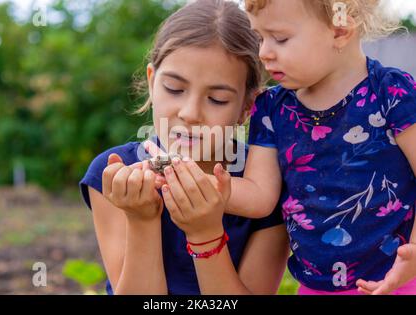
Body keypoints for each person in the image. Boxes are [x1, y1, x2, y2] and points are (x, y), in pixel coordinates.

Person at [157, 0, 416, 295]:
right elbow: (260, 196)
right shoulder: (272, 108)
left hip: (399, 280)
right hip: (315, 287)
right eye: (260, 38)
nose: (263, 52)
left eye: (279, 38)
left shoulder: (391, 93)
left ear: (340, 29)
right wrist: (194, 181)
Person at [79, 0, 289, 295]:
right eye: (174, 89)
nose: (190, 113)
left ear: (247, 107)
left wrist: (205, 233)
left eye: (217, 99)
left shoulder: (268, 186)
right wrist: (142, 219)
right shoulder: (114, 174)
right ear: (152, 82)